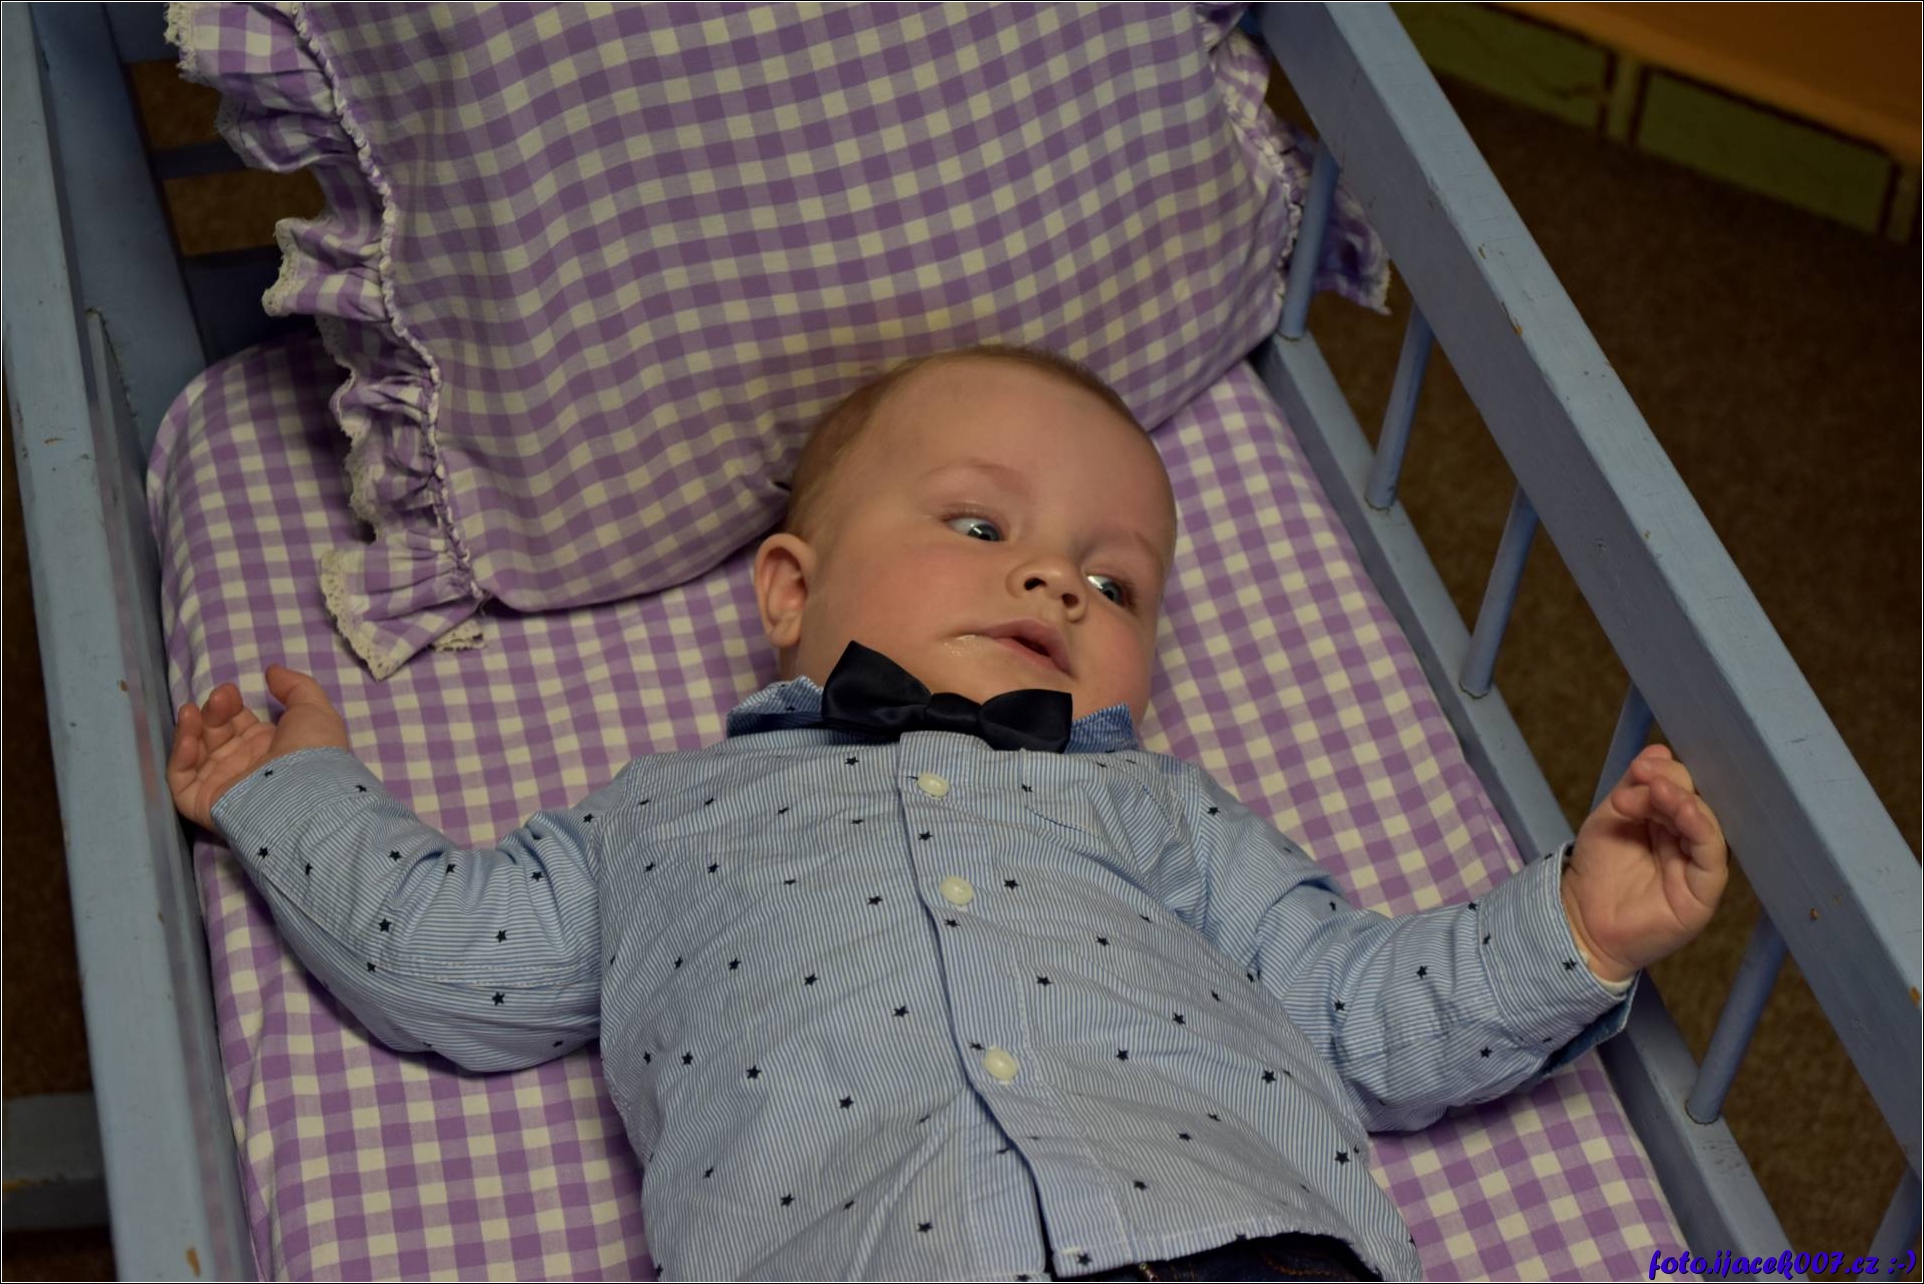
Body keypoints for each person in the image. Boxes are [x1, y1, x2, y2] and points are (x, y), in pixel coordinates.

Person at [168, 344, 1728, 1282]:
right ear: (791, 591)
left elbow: (1358, 1008)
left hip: (1238, 1242)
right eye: (979, 524)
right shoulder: (658, 816)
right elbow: (458, 952)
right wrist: (291, 785)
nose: (1055, 577)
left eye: (1116, 580)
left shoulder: (1161, 811)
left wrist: (1574, 928)